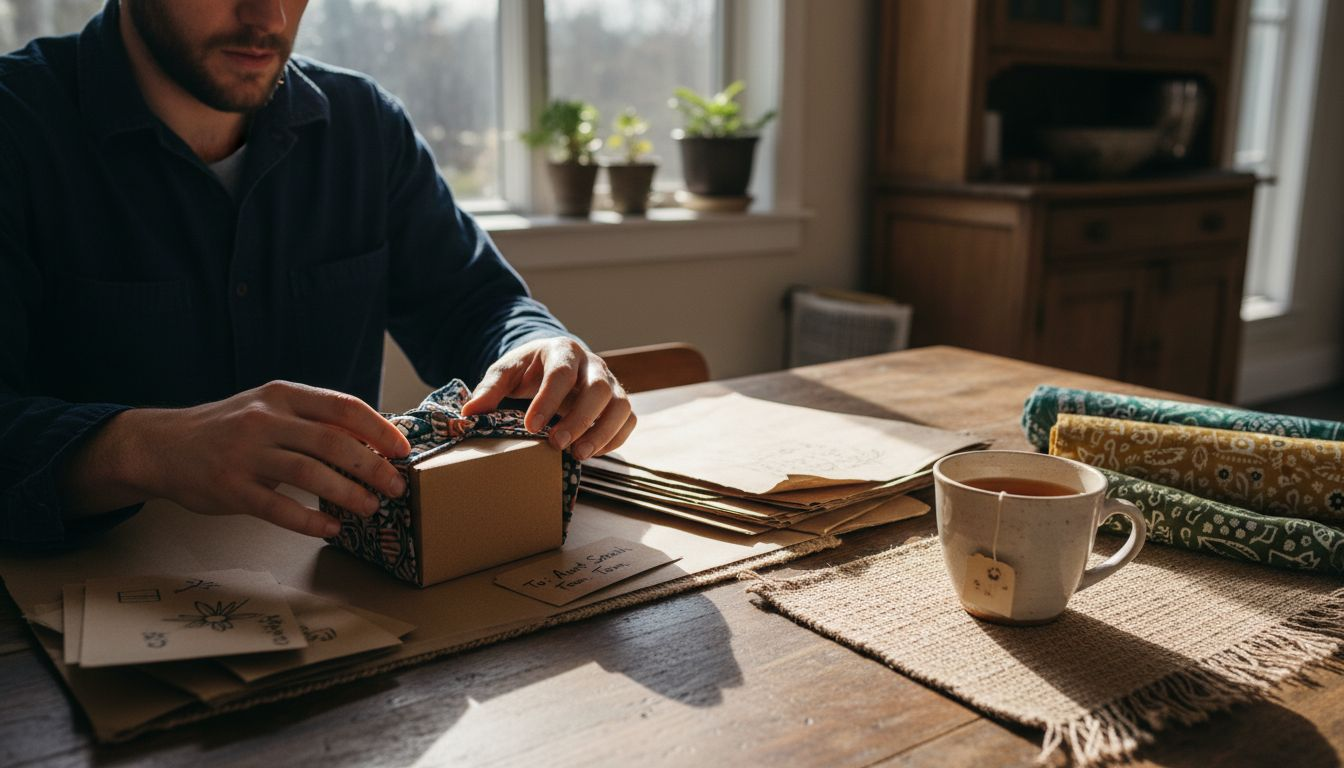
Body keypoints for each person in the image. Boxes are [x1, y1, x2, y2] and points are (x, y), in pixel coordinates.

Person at [0, 0, 635, 547]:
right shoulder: (18, 126)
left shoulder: (365, 126)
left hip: (342, 595)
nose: (268, 17)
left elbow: (476, 303)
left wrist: (536, 346)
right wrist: (148, 449)